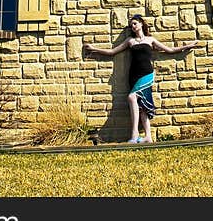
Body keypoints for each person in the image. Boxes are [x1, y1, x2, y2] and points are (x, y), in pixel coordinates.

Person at [83, 14, 198, 143]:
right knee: (141, 106)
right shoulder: (130, 41)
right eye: (131, 25)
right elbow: (112, 52)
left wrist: (187, 46)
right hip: (133, 75)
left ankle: (134, 135)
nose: (133, 26)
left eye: (135, 23)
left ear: (141, 24)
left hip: (147, 74)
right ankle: (148, 137)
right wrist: (94, 49)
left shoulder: (150, 40)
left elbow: (170, 50)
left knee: (131, 97)